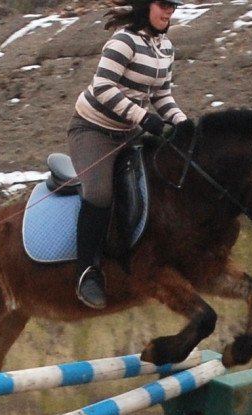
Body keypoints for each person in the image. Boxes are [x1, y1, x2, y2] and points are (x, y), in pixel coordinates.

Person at [68, 0, 188, 309]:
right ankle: (87, 273)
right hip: (93, 130)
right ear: (145, 5)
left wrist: (184, 124)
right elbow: (103, 87)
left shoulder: (166, 47)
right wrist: (143, 117)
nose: (168, 12)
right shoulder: (123, 41)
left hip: (129, 131)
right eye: (163, 5)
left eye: (172, 7)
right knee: (99, 193)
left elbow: (161, 95)